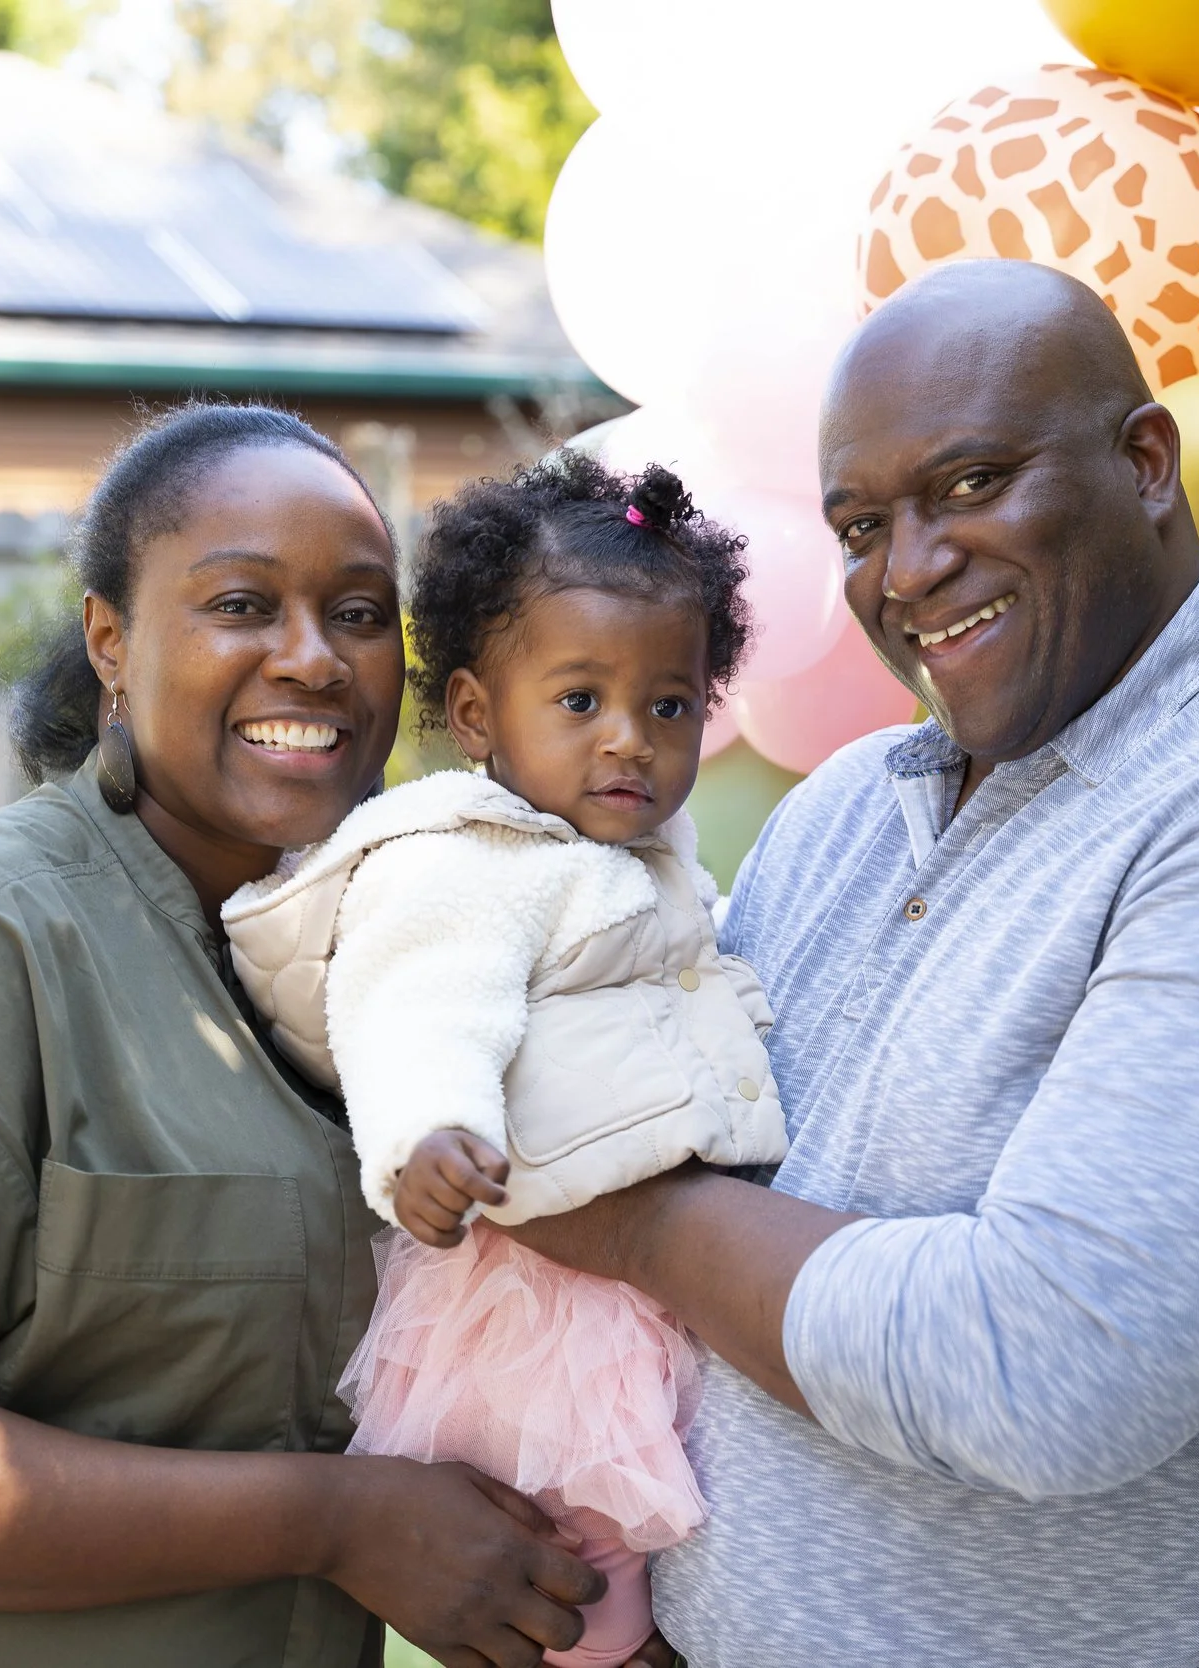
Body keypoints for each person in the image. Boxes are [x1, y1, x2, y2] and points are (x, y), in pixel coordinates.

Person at [504, 261, 1199, 1665]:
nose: (910, 568)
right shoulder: (844, 811)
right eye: (863, 524)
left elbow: (1045, 1369)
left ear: (1148, 463)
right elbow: (724, 1208)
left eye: (973, 484)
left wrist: (621, 1213)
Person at [0, 403, 624, 1668]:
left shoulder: (400, 954)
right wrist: (334, 1523)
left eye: (357, 613)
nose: (312, 658)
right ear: (110, 643)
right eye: (241, 604)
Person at [219, 454, 788, 1667]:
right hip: (533, 1315)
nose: (629, 740)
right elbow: (421, 1001)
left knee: (650, 1557)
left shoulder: (640, 855)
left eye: (670, 705)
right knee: (580, 1571)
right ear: (477, 716)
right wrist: (429, 1131)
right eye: (579, 702)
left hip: (636, 1282)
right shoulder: (468, 859)